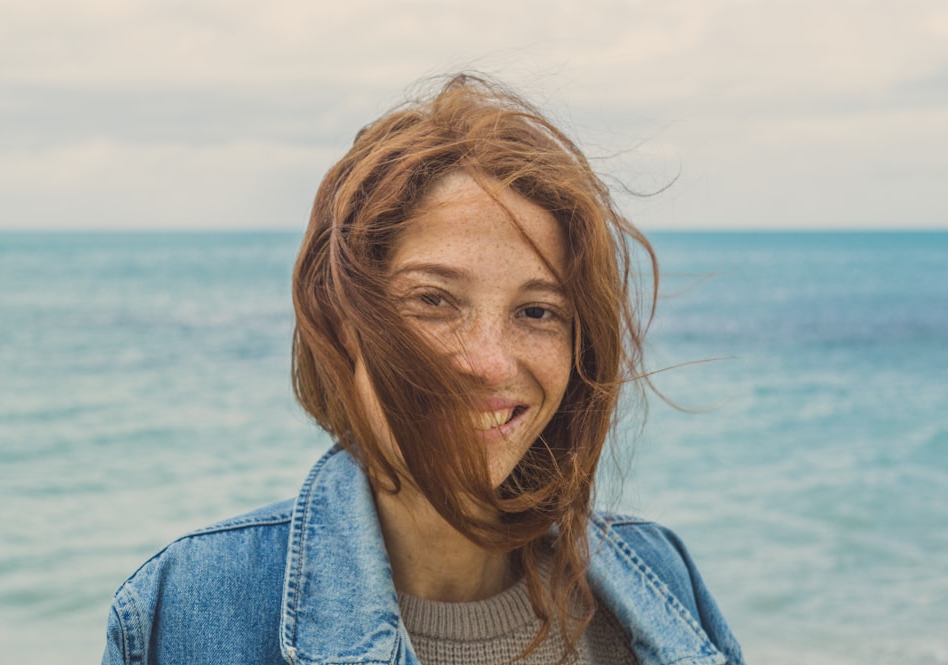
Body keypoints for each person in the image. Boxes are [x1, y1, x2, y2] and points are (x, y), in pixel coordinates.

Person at [102, 74, 745, 665]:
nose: (490, 363)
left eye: (538, 311)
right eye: (434, 301)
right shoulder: (189, 605)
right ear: (341, 323)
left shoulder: (660, 582)